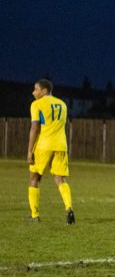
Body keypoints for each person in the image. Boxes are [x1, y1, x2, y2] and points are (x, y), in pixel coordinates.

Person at [27, 79, 75, 224]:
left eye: (36, 89)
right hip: (61, 145)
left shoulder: (36, 104)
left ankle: (35, 215)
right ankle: (69, 208)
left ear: (45, 90)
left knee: (34, 178)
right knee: (60, 179)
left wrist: (30, 151)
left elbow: (35, 129)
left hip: (44, 145)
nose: (33, 92)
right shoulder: (63, 104)